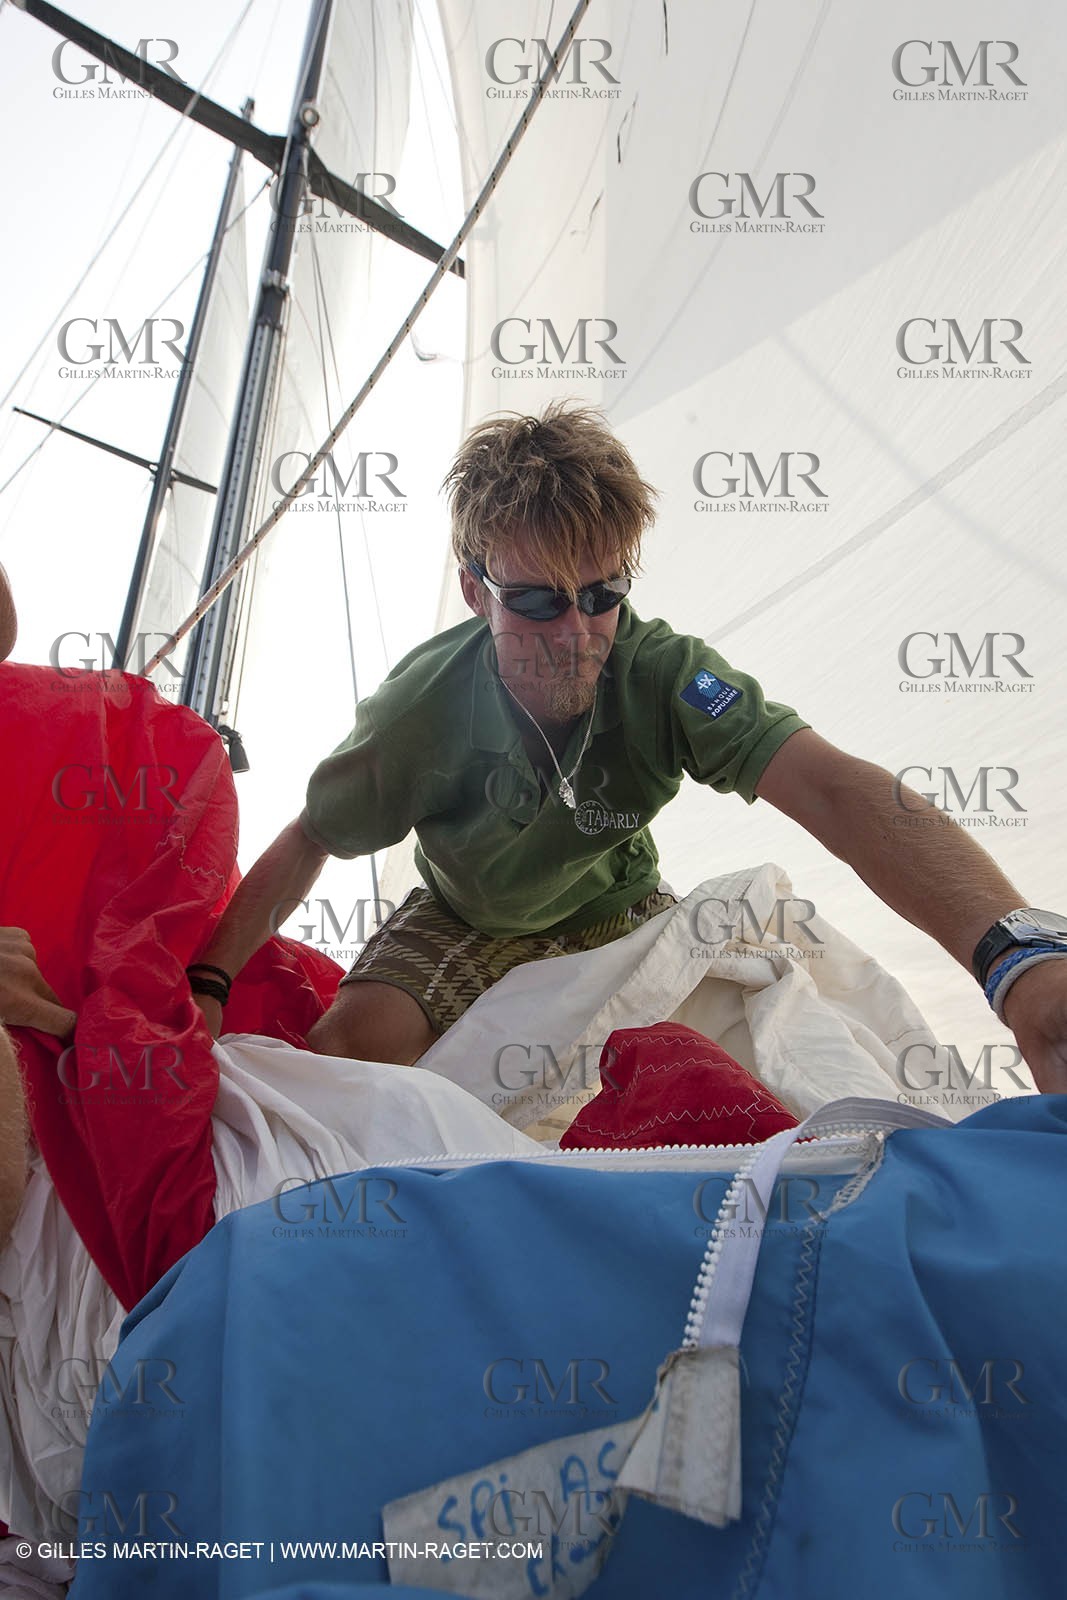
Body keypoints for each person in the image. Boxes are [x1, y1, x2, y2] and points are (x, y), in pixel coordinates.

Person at [192, 404, 1067, 1092]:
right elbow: (313, 835)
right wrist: (209, 982)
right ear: (474, 591)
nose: (576, 632)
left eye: (602, 592)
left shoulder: (666, 675)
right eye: (535, 602)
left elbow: (834, 790)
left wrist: (1015, 956)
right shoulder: (418, 710)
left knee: (766, 1073)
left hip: (620, 911)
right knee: (343, 1060)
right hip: (463, 915)